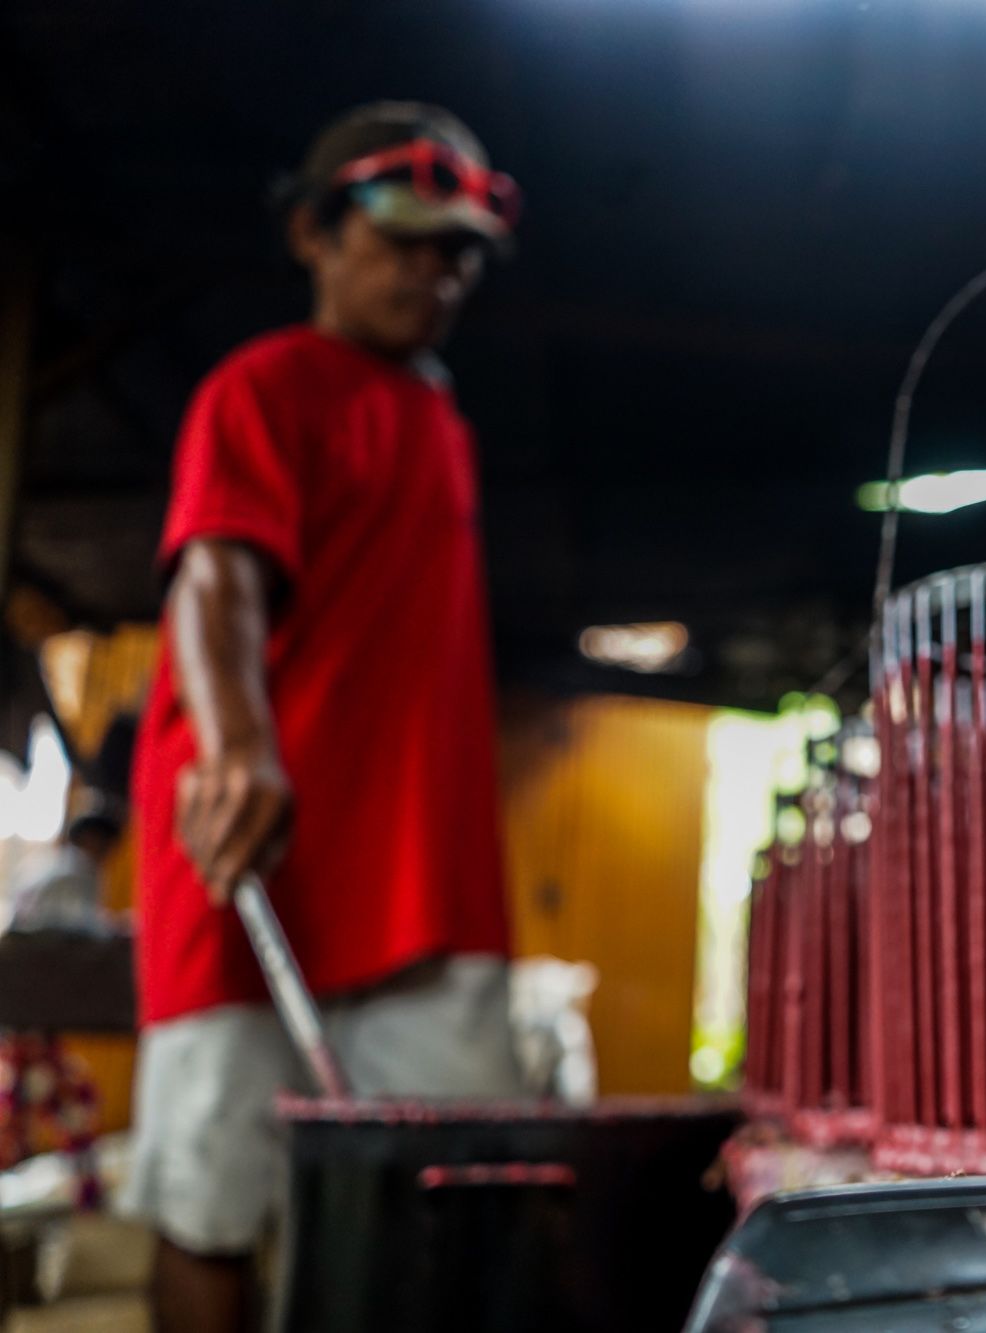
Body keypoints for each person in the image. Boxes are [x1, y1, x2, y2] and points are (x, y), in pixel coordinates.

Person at [123, 103, 525, 1333]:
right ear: (313, 232)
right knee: (213, 1200)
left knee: (461, 1200)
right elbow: (218, 577)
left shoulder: (442, 419)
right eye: (402, 239)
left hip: (421, 881)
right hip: (249, 853)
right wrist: (241, 745)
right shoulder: (265, 387)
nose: (432, 271)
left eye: (454, 252)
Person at [9, 800, 120, 933]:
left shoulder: (55, 859)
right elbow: (77, 922)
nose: (108, 851)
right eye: (104, 843)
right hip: (40, 943)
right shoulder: (78, 867)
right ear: (89, 838)